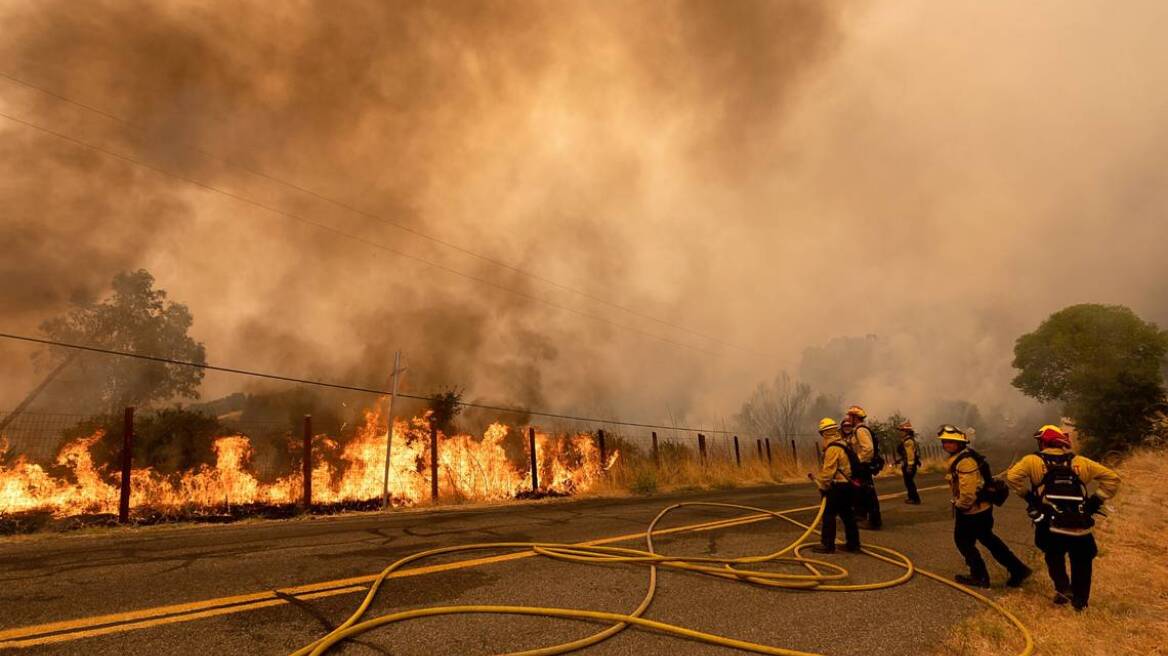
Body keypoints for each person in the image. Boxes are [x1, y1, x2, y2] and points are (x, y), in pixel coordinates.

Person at [1006, 425, 1120, 611]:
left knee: (1053, 555)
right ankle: (1080, 603)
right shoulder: (1080, 462)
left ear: (1042, 442)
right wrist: (1094, 502)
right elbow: (1112, 479)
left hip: (1049, 522)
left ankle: (1063, 588)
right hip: (1079, 522)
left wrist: (1029, 497)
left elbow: (1012, 477)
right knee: (1082, 560)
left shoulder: (1032, 461)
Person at [938, 424, 1031, 588]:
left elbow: (968, 493)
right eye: (944, 441)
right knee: (989, 539)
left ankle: (979, 576)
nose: (946, 445)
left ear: (959, 443)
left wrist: (960, 506)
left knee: (963, 542)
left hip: (972, 511)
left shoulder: (965, 461)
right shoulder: (965, 456)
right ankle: (1018, 569)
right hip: (981, 509)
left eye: (950, 442)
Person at [808, 417, 861, 554]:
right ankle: (853, 544)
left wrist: (823, 487)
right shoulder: (843, 444)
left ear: (824, 433)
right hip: (848, 485)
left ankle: (827, 545)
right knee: (847, 515)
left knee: (828, 515)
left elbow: (828, 472)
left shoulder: (832, 448)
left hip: (838, 487)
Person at [843, 405, 882, 529]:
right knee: (860, 492)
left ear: (855, 417)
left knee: (868, 494)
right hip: (862, 466)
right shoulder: (857, 430)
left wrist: (857, 461)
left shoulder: (860, 430)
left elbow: (868, 449)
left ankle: (874, 522)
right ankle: (861, 516)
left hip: (863, 467)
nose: (848, 418)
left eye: (850, 416)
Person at [895, 420, 922, 504]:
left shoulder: (908, 441)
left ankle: (915, 499)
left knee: (909, 482)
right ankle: (911, 497)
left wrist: (909, 466)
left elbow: (910, 455)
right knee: (908, 482)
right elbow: (906, 454)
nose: (900, 432)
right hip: (908, 463)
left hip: (909, 465)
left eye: (902, 430)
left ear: (907, 431)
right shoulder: (907, 440)